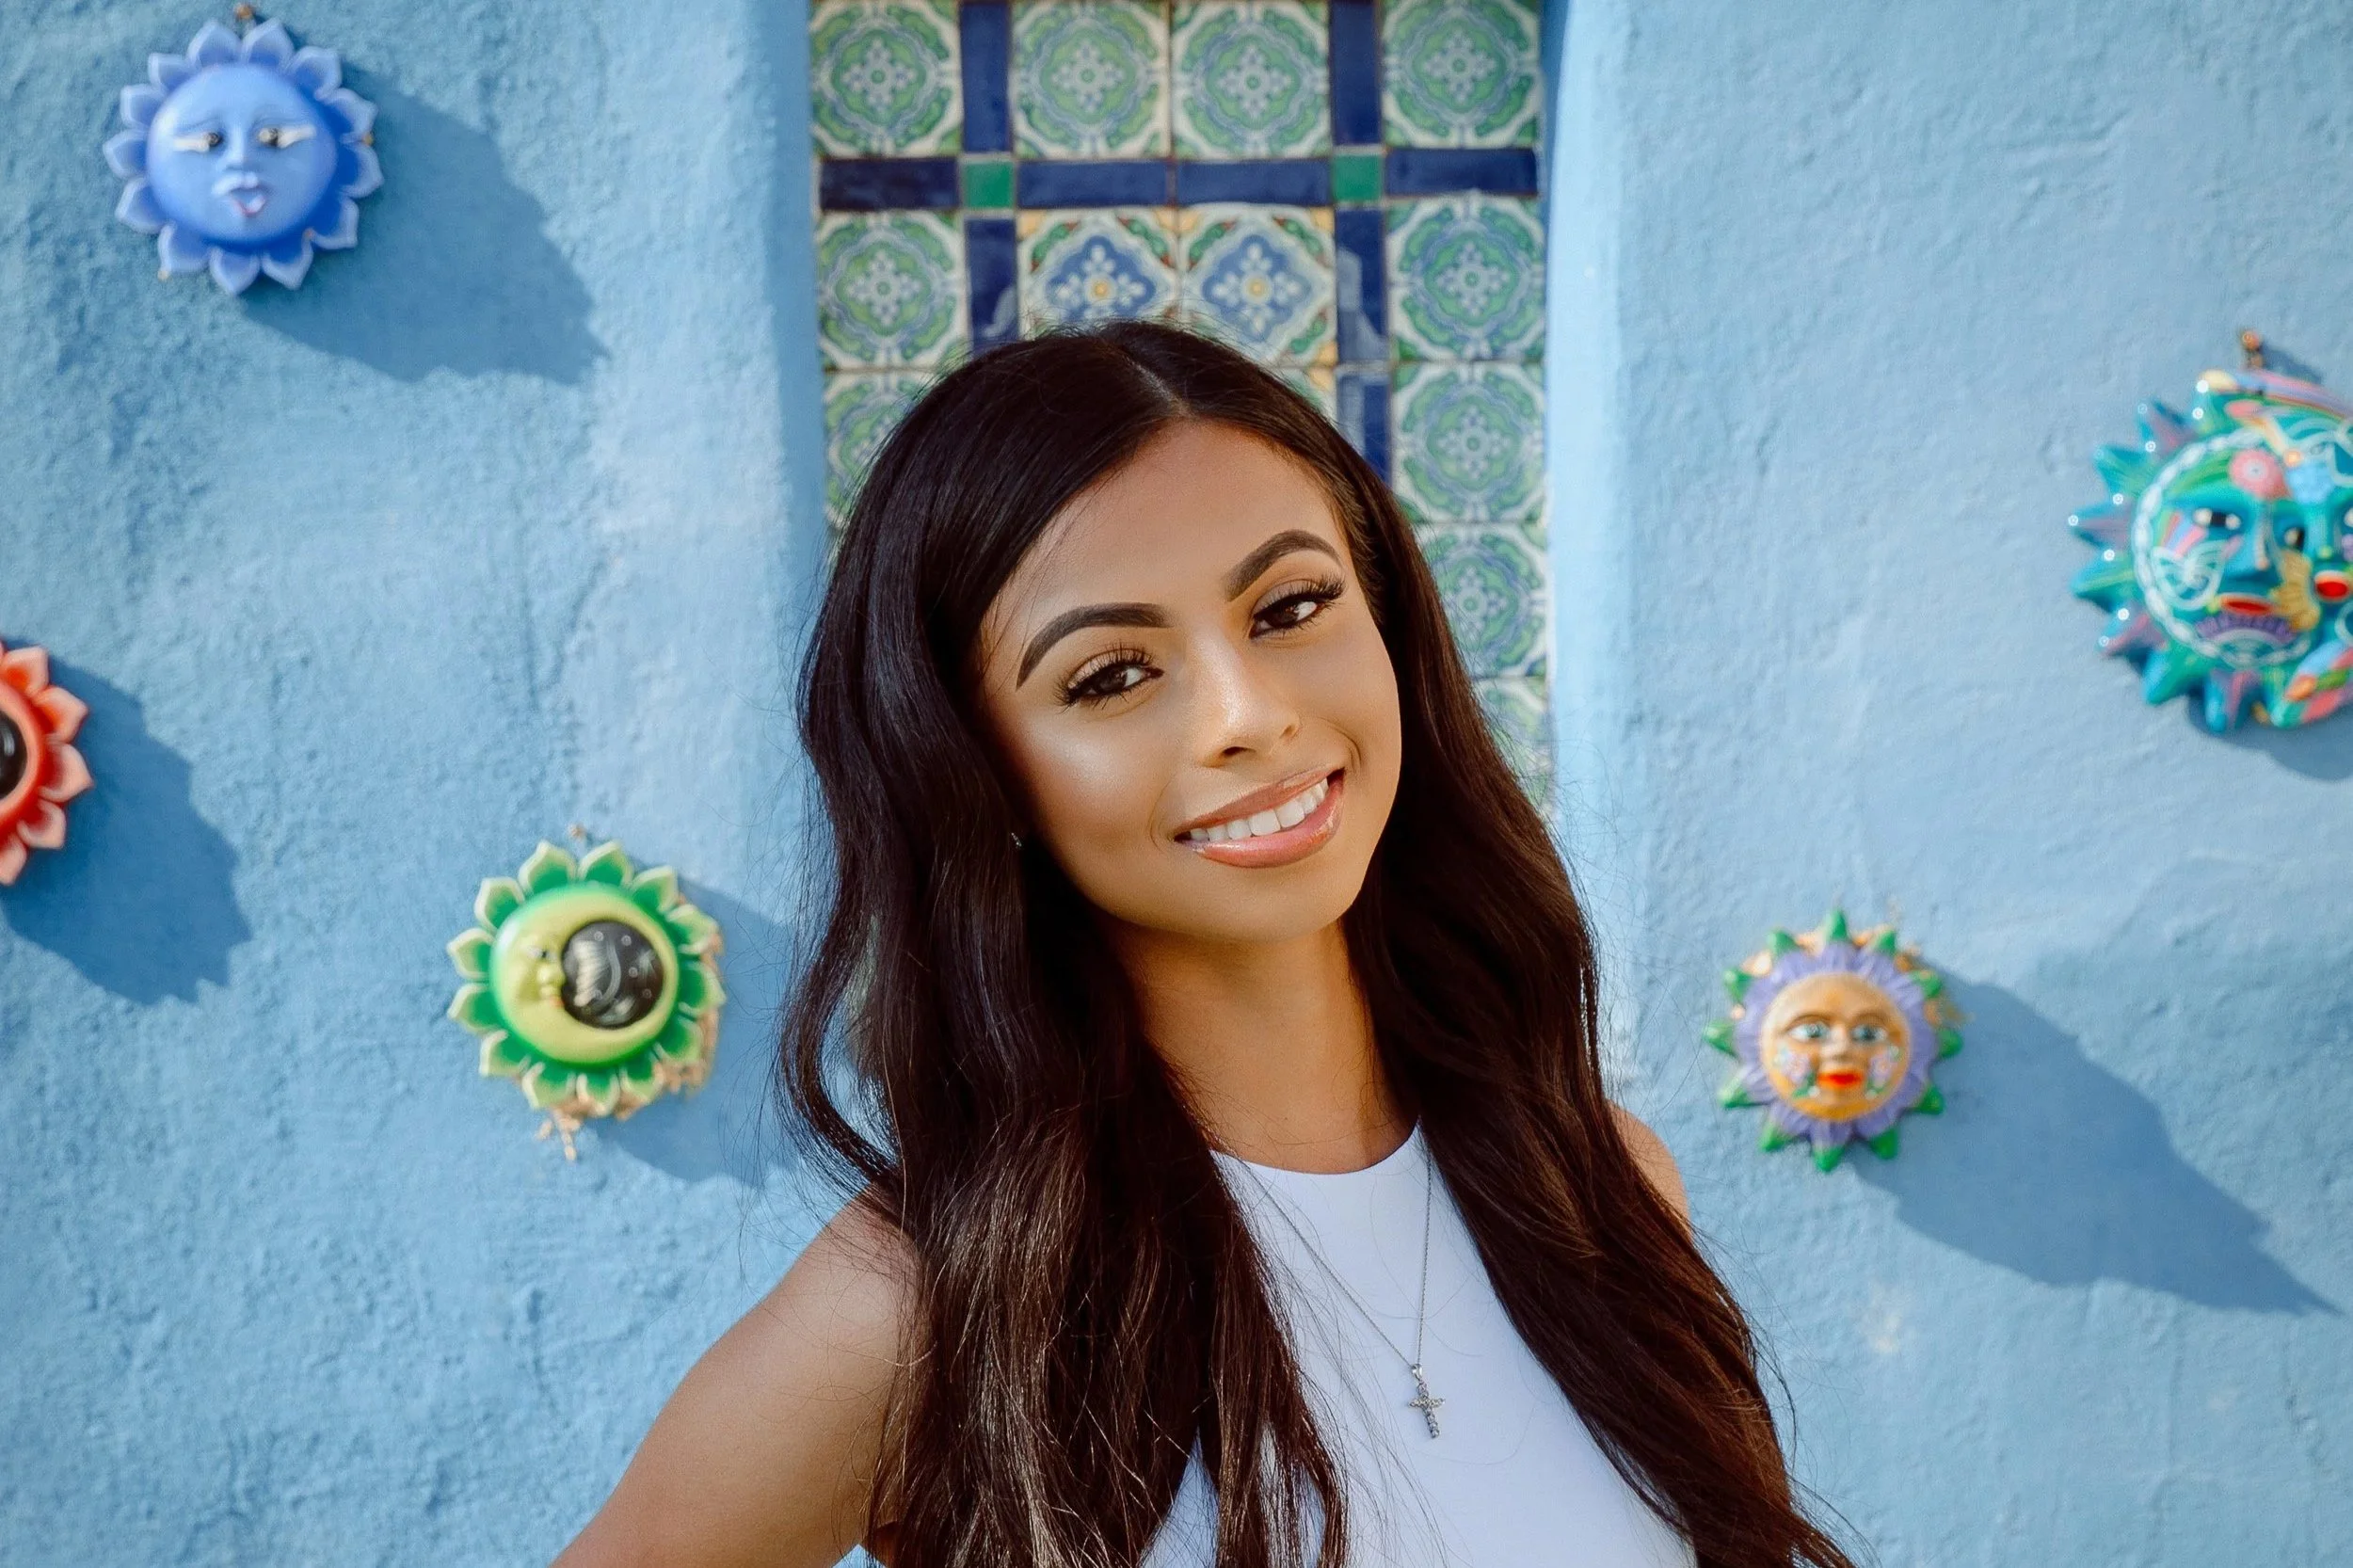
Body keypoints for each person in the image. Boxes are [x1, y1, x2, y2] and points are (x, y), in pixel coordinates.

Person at [553, 323, 1856, 1568]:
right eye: (1111, 675)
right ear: (980, 775)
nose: (1248, 712)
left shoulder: (1601, 1182)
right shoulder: (920, 1306)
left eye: (1290, 606)